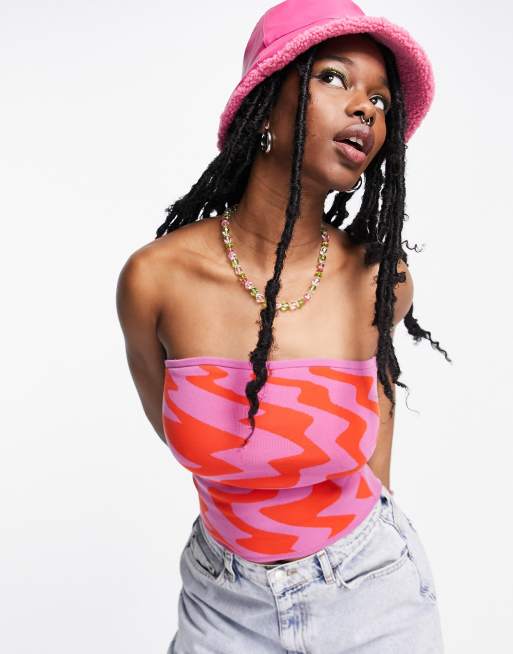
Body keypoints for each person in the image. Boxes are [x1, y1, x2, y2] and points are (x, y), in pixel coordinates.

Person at [116, 0, 450, 651]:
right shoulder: (155, 282)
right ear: (264, 105)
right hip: (222, 604)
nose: (365, 109)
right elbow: (185, 434)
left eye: (380, 100)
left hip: (368, 591)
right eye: (334, 77)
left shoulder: (378, 280)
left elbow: (377, 410)